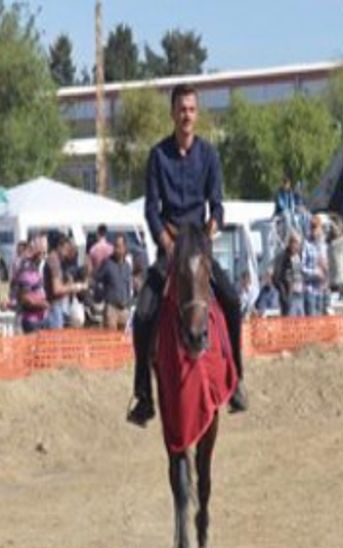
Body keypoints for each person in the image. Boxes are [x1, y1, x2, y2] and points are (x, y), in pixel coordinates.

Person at [128, 83, 246, 426]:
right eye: (181, 109)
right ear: (173, 113)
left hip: (199, 247)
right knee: (143, 312)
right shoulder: (158, 156)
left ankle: (237, 378)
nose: (187, 115)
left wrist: (213, 225)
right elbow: (151, 209)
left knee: (232, 300)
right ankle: (144, 393)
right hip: (170, 249)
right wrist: (165, 241)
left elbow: (218, 205)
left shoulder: (209, 155)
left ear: (197, 114)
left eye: (192, 110)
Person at [94, 235, 134, 330]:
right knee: (110, 337)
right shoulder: (107, 263)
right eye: (115, 246)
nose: (116, 249)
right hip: (111, 309)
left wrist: (128, 305)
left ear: (124, 248)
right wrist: (101, 294)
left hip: (124, 309)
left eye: (119, 246)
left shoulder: (127, 266)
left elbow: (128, 286)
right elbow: (97, 279)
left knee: (123, 338)